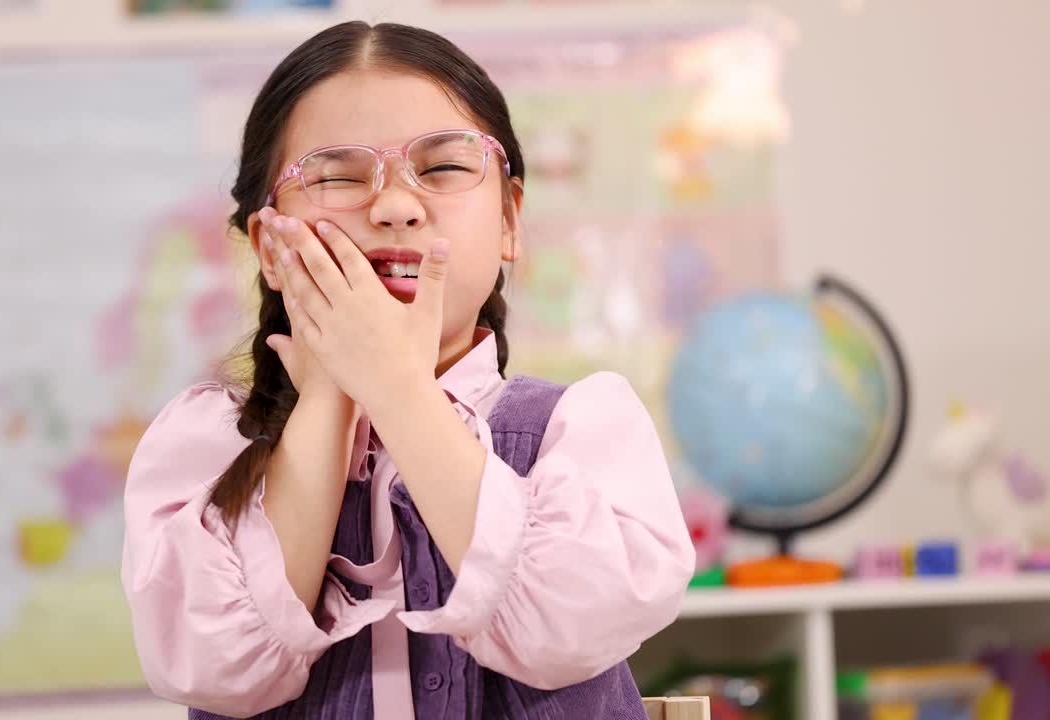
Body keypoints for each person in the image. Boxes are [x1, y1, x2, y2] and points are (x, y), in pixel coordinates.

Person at [121, 20, 695, 719]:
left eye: (445, 168)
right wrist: (332, 388)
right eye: (337, 175)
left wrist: (396, 386)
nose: (395, 206)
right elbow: (209, 665)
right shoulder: (209, 444)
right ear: (270, 247)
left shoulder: (581, 429)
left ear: (510, 219)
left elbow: (568, 631)